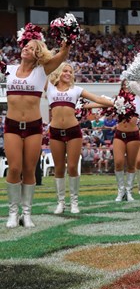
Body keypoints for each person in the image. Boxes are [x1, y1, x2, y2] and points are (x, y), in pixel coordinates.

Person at [5, 37, 69, 228]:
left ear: (37, 54)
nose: (26, 49)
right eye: (26, 46)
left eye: (32, 48)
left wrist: (67, 44)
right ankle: (13, 213)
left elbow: (61, 56)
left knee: (29, 169)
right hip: (12, 126)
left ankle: (27, 213)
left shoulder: (42, 71)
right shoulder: (7, 69)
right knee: (14, 168)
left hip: (33, 127)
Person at [46, 63, 113, 213]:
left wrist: (115, 103)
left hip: (73, 131)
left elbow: (96, 98)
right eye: (65, 70)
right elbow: (44, 68)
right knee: (58, 168)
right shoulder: (49, 87)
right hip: (55, 132)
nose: (68, 73)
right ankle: (61, 202)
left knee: (71, 166)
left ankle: (74, 202)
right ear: (58, 72)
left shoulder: (76, 90)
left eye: (70, 71)